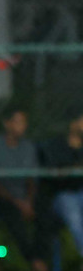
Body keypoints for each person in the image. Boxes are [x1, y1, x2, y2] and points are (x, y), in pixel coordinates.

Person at [0, 107, 55, 271]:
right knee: (14, 218)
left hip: (24, 199)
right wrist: (17, 202)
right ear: (7, 123)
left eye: (24, 122)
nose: (22, 126)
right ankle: (38, 266)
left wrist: (28, 201)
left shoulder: (28, 148)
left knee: (46, 215)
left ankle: (38, 266)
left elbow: (32, 179)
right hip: (3, 199)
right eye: (18, 121)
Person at [40, 111, 83, 259]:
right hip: (63, 197)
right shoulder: (57, 146)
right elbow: (53, 175)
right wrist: (71, 169)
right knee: (73, 212)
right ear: (73, 123)